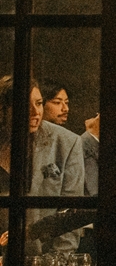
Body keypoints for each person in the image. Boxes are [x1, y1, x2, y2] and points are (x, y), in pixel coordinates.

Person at [0, 76, 87, 248]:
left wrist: (59, 265)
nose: (35, 112)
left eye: (39, 103)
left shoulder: (66, 142)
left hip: (42, 257)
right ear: (3, 109)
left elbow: (71, 211)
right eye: (25, 105)